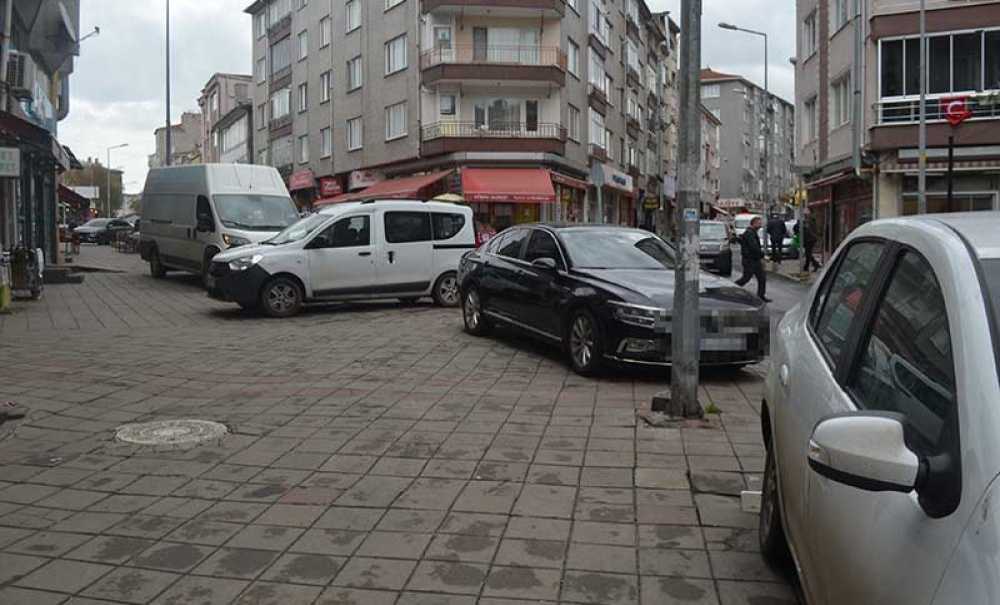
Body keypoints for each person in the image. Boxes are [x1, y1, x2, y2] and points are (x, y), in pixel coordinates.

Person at [736, 216, 770, 302]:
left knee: (761, 277)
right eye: (759, 223)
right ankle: (732, 288)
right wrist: (763, 256)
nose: (760, 224)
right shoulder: (750, 233)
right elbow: (753, 247)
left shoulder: (752, 232)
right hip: (750, 260)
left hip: (754, 260)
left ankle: (761, 296)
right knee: (746, 278)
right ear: (754, 223)